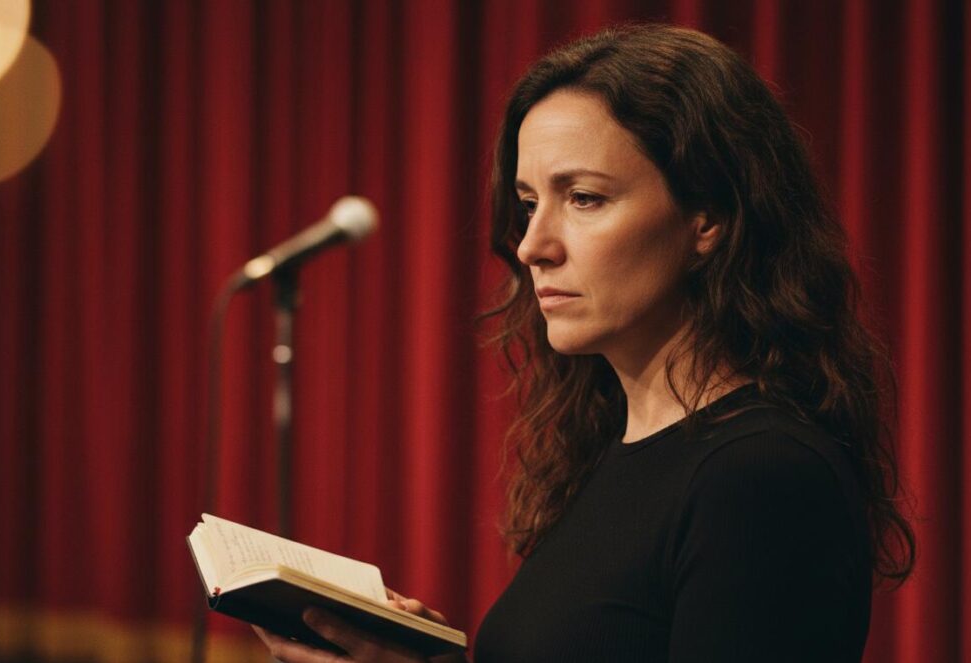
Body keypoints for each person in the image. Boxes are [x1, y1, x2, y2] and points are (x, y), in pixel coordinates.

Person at [254, 23, 914, 662]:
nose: (531, 245)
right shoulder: (613, 451)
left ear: (708, 217)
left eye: (585, 198)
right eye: (528, 203)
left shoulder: (762, 476)